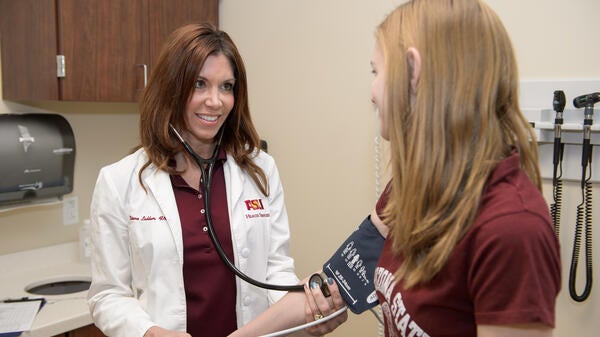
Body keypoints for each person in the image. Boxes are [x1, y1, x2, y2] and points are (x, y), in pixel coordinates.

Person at [229, 0, 562, 336]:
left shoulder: (511, 230)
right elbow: (330, 286)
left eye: (376, 71)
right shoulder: (411, 191)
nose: (372, 94)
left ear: (413, 72)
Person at [87, 23, 301, 337]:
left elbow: (276, 270)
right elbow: (107, 295)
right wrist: (151, 333)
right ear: (171, 87)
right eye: (200, 84)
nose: (215, 101)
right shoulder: (119, 182)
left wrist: (304, 311)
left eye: (226, 86)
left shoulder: (260, 170)